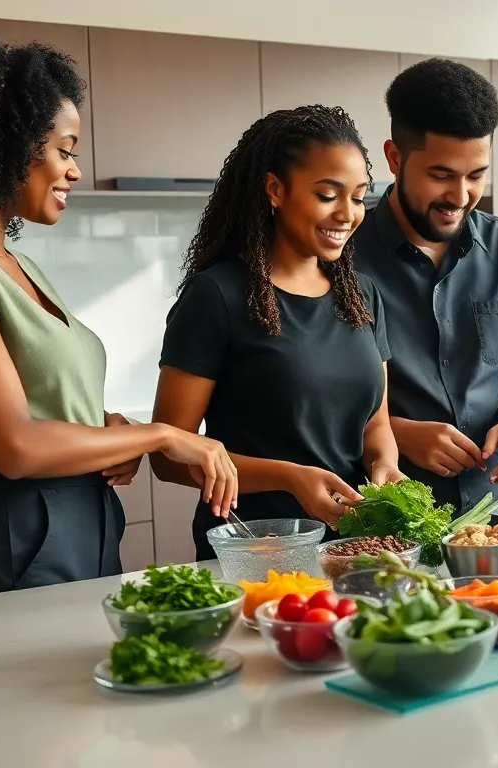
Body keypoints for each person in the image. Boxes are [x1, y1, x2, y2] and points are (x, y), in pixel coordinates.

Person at [0, 31, 237, 602]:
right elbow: (13, 444)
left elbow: (44, 400)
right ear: (0, 141)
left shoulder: (16, 262)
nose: (75, 171)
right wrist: (163, 436)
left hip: (81, 519)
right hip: (12, 531)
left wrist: (113, 433)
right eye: (65, 149)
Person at [151, 105, 403, 560]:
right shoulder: (217, 295)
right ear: (275, 189)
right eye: (328, 195)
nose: (348, 213)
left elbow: (376, 423)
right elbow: (168, 454)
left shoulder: (362, 295)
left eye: (359, 196)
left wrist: (384, 465)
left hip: (355, 549)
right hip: (256, 547)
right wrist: (290, 476)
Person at [352, 58, 498, 513]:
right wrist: (394, 431)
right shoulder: (340, 258)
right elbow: (305, 402)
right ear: (394, 158)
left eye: (476, 175)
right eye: (441, 175)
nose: (460, 196)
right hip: (389, 518)